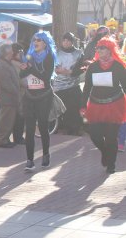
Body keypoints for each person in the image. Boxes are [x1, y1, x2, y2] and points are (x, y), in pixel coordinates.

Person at [81, 37, 126, 174]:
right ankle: (105, 152)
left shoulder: (118, 66)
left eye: (103, 48)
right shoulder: (93, 67)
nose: (99, 50)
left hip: (114, 105)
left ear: (110, 50)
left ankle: (111, 164)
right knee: (95, 135)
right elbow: (87, 87)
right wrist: (83, 105)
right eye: (98, 48)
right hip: (96, 106)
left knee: (111, 137)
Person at [19, 31, 57, 171]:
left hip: (44, 96)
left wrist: (30, 69)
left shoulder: (49, 58)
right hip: (29, 96)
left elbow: (46, 78)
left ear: (45, 43)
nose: (36, 42)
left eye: (39, 40)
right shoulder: (29, 56)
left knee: (42, 127)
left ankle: (46, 154)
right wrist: (23, 69)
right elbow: (21, 74)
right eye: (34, 40)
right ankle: (29, 160)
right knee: (29, 129)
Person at [53, 32, 84, 135]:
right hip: (58, 85)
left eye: (68, 41)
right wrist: (57, 70)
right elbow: (51, 67)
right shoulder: (56, 52)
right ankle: (57, 127)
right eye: (64, 40)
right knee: (57, 108)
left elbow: (81, 68)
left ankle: (73, 128)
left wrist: (69, 72)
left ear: (72, 42)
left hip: (72, 85)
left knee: (73, 108)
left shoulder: (79, 53)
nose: (66, 42)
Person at [0, 44, 21, 148]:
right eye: (11, 52)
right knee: (6, 119)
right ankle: (2, 140)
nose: (13, 53)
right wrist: (16, 92)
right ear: (6, 53)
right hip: (7, 97)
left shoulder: (7, 63)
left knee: (9, 120)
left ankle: (5, 139)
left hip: (11, 97)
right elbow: (6, 83)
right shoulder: (2, 65)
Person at [11, 43, 26, 145]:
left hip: (17, 93)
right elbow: (19, 80)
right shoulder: (15, 64)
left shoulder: (15, 63)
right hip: (18, 94)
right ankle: (18, 137)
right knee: (19, 116)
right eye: (20, 52)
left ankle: (17, 137)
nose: (22, 54)